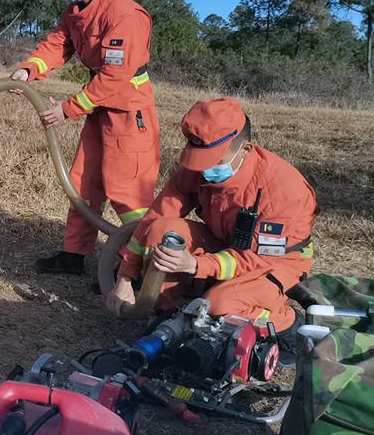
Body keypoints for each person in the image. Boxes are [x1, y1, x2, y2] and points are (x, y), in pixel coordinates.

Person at [10, 0, 159, 276]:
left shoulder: (123, 15)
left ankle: (137, 269)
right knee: (83, 182)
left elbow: (115, 77)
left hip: (127, 108)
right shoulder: (76, 10)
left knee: (127, 192)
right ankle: (73, 255)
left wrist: (68, 109)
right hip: (100, 106)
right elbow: (57, 44)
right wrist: (29, 68)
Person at [106, 98, 317, 332]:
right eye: (200, 161)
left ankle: (286, 321)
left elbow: (257, 259)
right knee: (161, 230)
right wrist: (125, 276)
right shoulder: (198, 168)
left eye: (214, 161)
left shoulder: (283, 191)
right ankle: (166, 316)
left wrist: (197, 264)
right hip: (224, 246)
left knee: (219, 305)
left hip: (272, 262)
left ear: (244, 150)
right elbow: (156, 217)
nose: (205, 170)